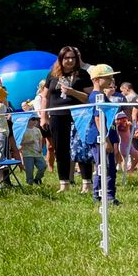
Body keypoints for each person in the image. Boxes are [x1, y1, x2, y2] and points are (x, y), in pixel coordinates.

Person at [38, 46, 92, 193]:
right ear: (60, 59)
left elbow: (89, 98)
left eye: (72, 58)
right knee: (60, 150)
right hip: (57, 116)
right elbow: (45, 96)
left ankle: (87, 184)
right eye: (66, 58)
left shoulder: (83, 74)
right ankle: (64, 184)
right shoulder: (53, 75)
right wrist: (43, 117)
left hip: (79, 116)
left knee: (81, 149)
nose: (70, 60)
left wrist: (72, 92)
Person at [85, 65, 121, 205]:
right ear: (97, 80)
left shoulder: (102, 96)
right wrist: (105, 140)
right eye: (108, 77)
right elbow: (98, 118)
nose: (111, 80)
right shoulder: (96, 97)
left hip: (106, 136)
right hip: (100, 138)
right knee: (104, 167)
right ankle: (103, 196)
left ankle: (107, 194)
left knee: (108, 166)